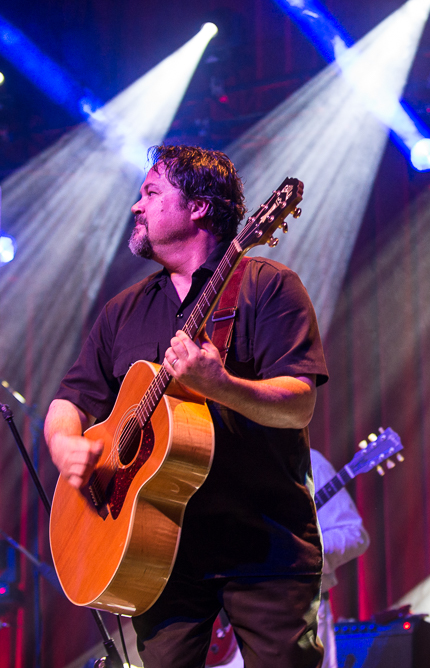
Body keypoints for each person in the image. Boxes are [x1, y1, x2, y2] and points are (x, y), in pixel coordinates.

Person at [45, 145, 329, 668]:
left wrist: (220, 384)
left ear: (198, 207)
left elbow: (299, 404)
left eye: (151, 192)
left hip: (263, 543)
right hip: (156, 550)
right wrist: (66, 445)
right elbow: (71, 400)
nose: (137, 206)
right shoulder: (123, 310)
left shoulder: (268, 287)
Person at [222, 448, 370, 668]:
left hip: (298, 611)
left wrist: (299, 549)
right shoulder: (229, 460)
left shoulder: (309, 461)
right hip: (232, 616)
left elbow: (354, 535)